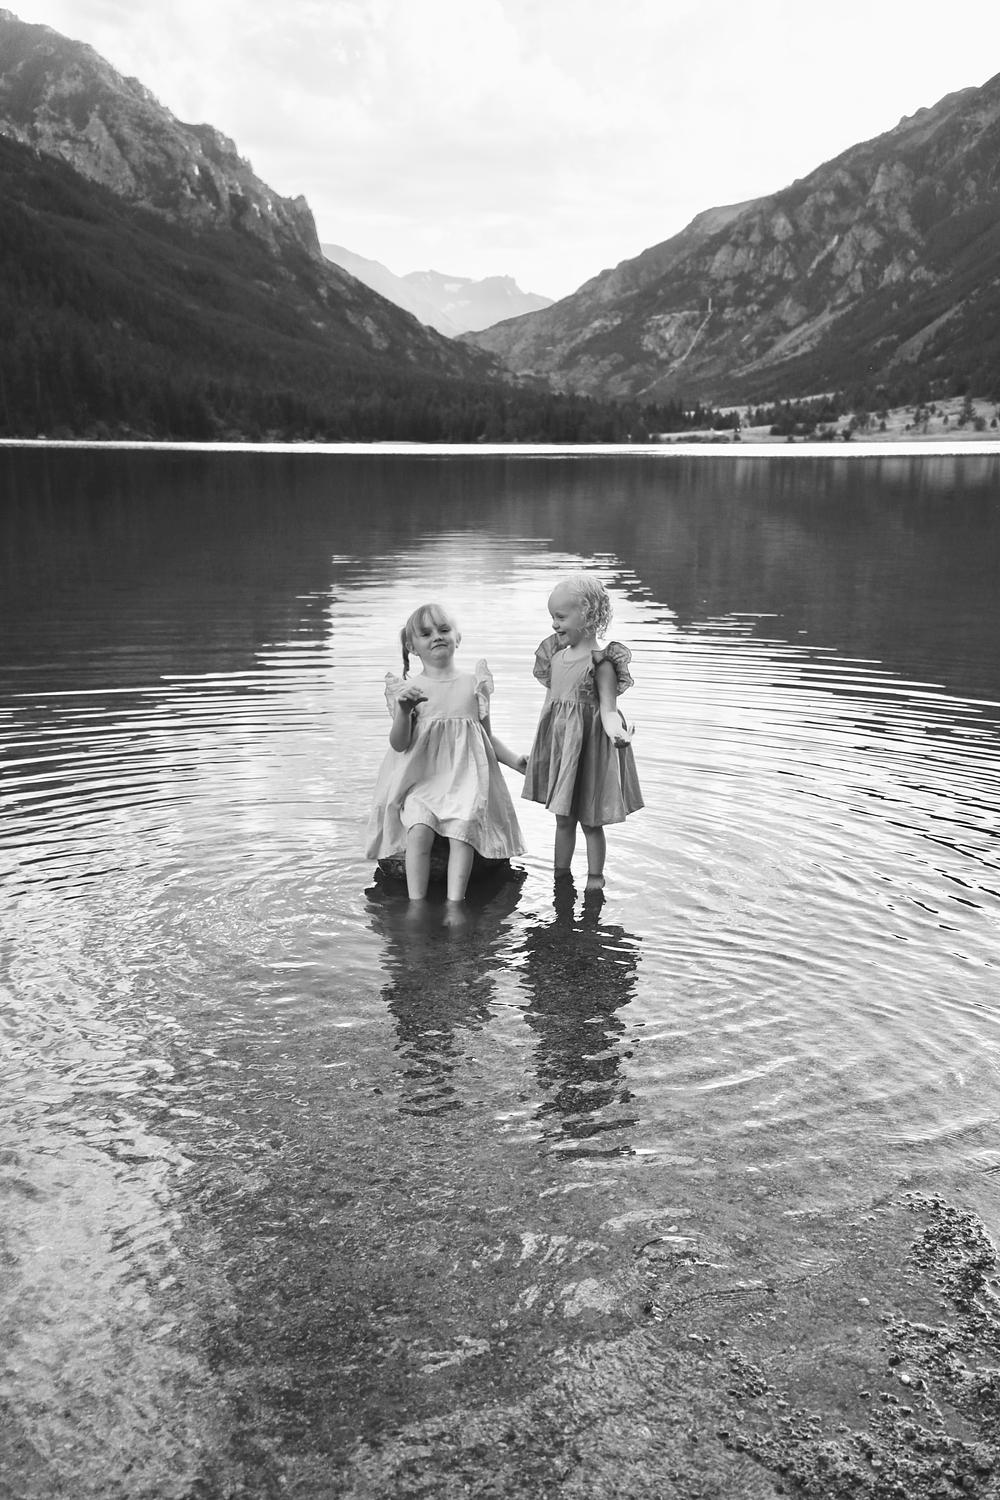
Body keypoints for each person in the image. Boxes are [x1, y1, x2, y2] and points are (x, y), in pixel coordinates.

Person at [365, 602, 527, 905]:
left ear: (458, 637)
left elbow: (486, 737)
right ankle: (416, 903)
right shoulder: (410, 690)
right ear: (412, 647)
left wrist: (517, 762)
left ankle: (455, 903)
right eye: (426, 633)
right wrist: (404, 711)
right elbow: (399, 744)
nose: (436, 636)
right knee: (419, 830)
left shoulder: (473, 685)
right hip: (422, 783)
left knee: (462, 832)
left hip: (463, 782)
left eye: (443, 629)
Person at [522, 572, 643, 890]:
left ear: (587, 615)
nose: (554, 624)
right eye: (552, 617)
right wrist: (542, 754)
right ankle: (560, 876)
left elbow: (609, 710)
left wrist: (617, 734)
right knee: (562, 818)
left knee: (590, 821)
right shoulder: (555, 657)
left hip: (589, 749)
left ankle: (595, 878)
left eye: (560, 617)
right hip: (563, 748)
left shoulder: (601, 663)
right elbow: (551, 709)